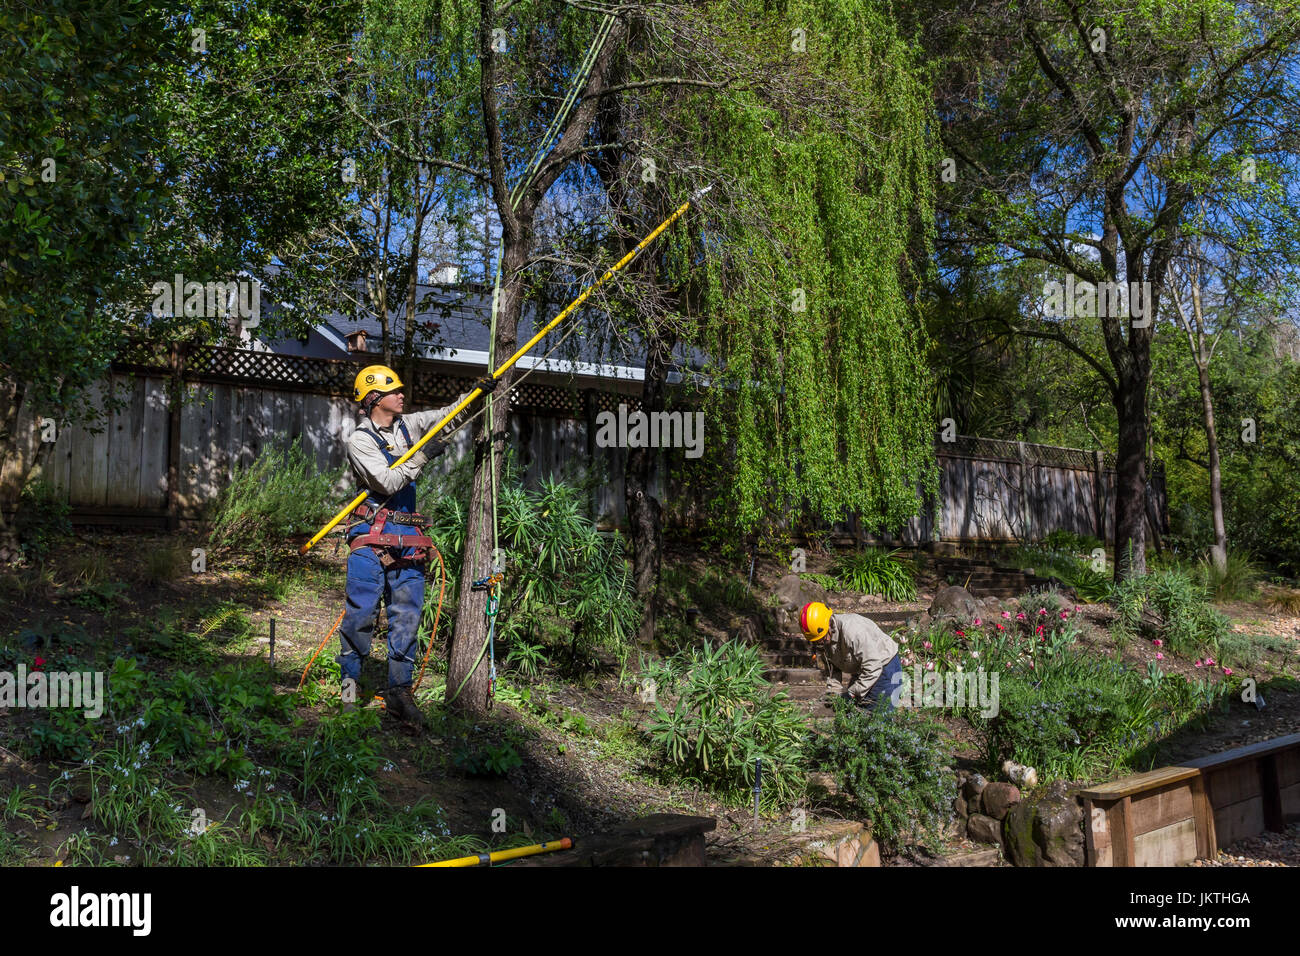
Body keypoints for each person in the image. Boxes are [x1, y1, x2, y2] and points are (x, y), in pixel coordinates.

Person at [339, 363, 491, 728]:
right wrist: (423, 456)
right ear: (374, 398)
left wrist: (475, 396)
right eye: (395, 391)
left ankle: (399, 694)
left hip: (408, 538)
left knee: (407, 617)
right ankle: (348, 689)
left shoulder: (409, 425)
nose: (402, 395)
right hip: (370, 536)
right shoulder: (360, 440)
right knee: (360, 614)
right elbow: (388, 482)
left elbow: (447, 417)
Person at [799, 601, 902, 712]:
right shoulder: (823, 641)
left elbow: (873, 666)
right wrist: (833, 693)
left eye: (822, 638)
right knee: (852, 713)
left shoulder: (853, 632)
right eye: (816, 641)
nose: (820, 643)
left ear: (829, 624)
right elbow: (832, 668)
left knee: (876, 717)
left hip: (884, 665)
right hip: (863, 669)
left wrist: (851, 693)